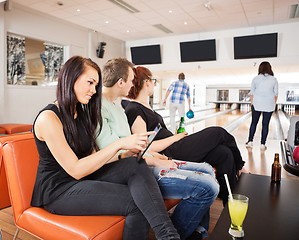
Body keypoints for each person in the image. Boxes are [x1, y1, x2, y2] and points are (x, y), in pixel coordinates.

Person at [30, 56, 180, 240]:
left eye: (96, 85)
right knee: (137, 202)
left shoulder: (81, 113)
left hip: (84, 178)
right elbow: (75, 169)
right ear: (71, 79)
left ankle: (168, 235)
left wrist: (123, 155)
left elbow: (94, 157)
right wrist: (119, 145)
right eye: (90, 83)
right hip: (59, 190)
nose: (94, 90)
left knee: (134, 163)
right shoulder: (49, 118)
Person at [96, 58, 219, 240]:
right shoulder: (99, 108)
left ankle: (197, 229)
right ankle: (178, 234)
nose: (133, 84)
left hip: (143, 161)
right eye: (131, 79)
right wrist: (153, 159)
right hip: (133, 171)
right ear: (120, 82)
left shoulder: (117, 106)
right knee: (208, 187)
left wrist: (156, 155)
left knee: (208, 169)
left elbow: (132, 144)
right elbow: (116, 153)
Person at [125, 66, 246, 206]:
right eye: (153, 81)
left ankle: (230, 203)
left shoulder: (146, 107)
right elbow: (147, 146)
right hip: (169, 152)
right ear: (147, 82)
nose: (153, 84)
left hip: (176, 146)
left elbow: (157, 134)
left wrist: (175, 136)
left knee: (223, 154)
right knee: (218, 133)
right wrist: (176, 138)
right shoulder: (134, 109)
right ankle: (240, 166)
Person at [245, 61, 278, 150]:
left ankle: (250, 141)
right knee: (265, 125)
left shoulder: (255, 79)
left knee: (254, 123)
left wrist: (253, 104)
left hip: (257, 104)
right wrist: (272, 104)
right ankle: (262, 144)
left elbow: (252, 93)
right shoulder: (274, 79)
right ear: (269, 68)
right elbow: (276, 94)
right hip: (269, 105)